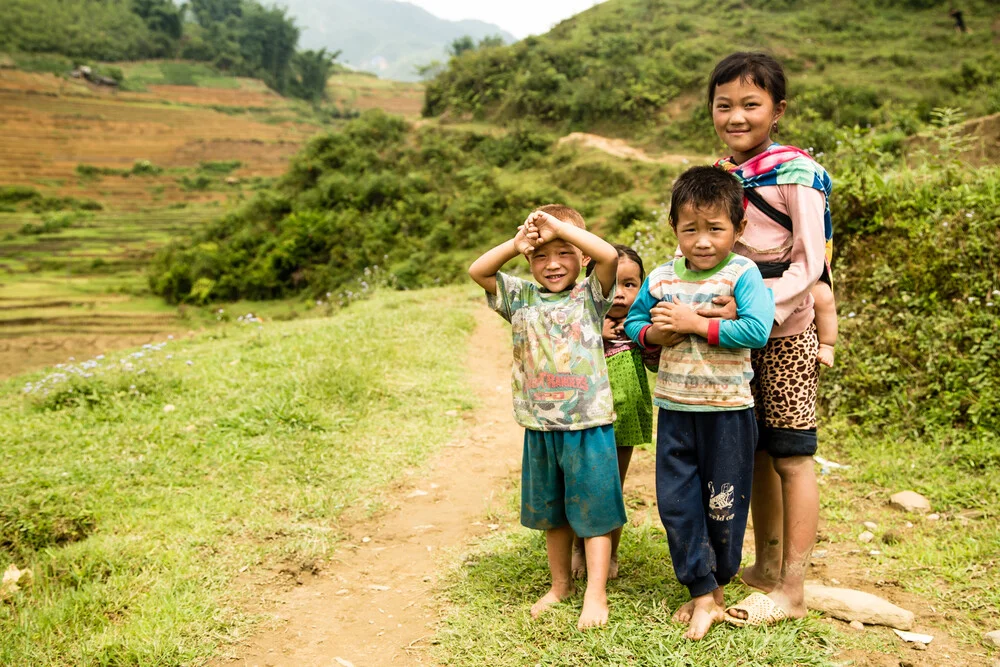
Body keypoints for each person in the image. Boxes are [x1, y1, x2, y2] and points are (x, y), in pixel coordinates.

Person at [704, 51, 834, 627]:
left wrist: (759, 307)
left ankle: (794, 588)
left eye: (750, 104)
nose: (736, 116)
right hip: (739, 336)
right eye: (724, 104)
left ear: (777, 111)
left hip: (785, 332)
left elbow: (812, 262)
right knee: (756, 449)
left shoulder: (799, 174)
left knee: (793, 455)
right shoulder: (722, 175)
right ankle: (764, 565)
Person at [623, 166, 775, 640]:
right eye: (691, 229)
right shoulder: (663, 276)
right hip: (674, 412)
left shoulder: (742, 272)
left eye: (716, 229)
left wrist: (692, 323)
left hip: (728, 413)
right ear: (674, 228)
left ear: (739, 228)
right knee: (677, 504)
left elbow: (756, 329)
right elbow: (633, 323)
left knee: (722, 505)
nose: (703, 241)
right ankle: (701, 591)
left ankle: (717, 586)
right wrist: (654, 332)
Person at [468, 204, 627, 630]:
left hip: (588, 424)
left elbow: (610, 256)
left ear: (581, 257)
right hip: (540, 427)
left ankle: (596, 593)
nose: (552, 264)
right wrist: (517, 243)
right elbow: (478, 271)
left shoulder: (591, 296)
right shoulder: (519, 298)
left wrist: (558, 229)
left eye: (564, 252)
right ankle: (560, 586)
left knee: (594, 514)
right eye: (540, 256)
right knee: (552, 515)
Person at [571, 244, 659, 581]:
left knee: (612, 488)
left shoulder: (641, 324)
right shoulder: (581, 318)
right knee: (582, 484)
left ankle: (610, 553)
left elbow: (654, 364)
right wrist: (596, 333)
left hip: (624, 421)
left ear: (643, 286)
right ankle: (580, 547)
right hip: (584, 419)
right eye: (612, 285)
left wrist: (647, 336)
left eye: (630, 284)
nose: (619, 294)